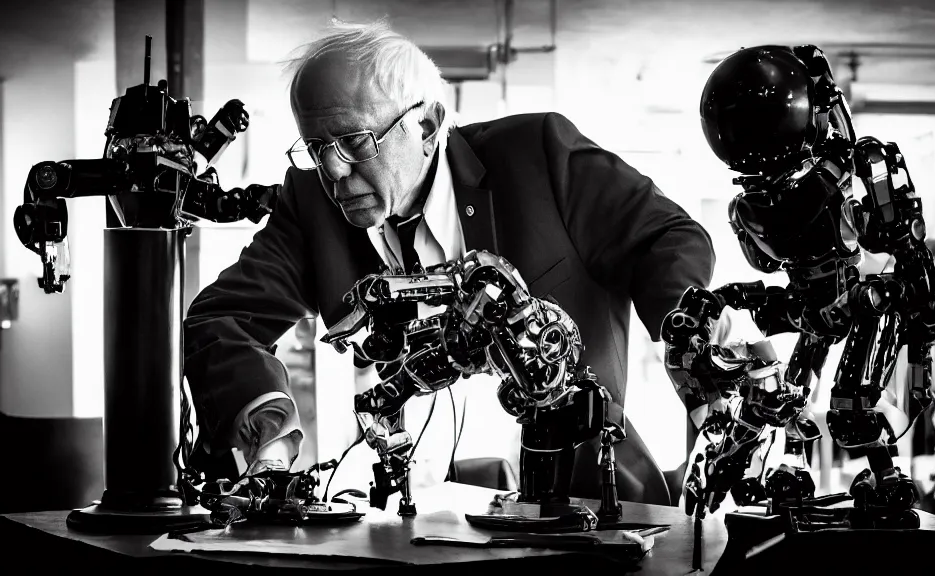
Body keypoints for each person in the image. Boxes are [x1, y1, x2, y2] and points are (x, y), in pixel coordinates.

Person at [183, 20, 715, 506]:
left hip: (581, 492)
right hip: (394, 512)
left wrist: (692, 349)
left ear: (429, 124)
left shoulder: (539, 155)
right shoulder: (311, 204)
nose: (333, 171)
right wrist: (270, 442)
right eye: (316, 146)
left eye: (353, 141)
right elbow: (221, 320)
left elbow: (668, 238)